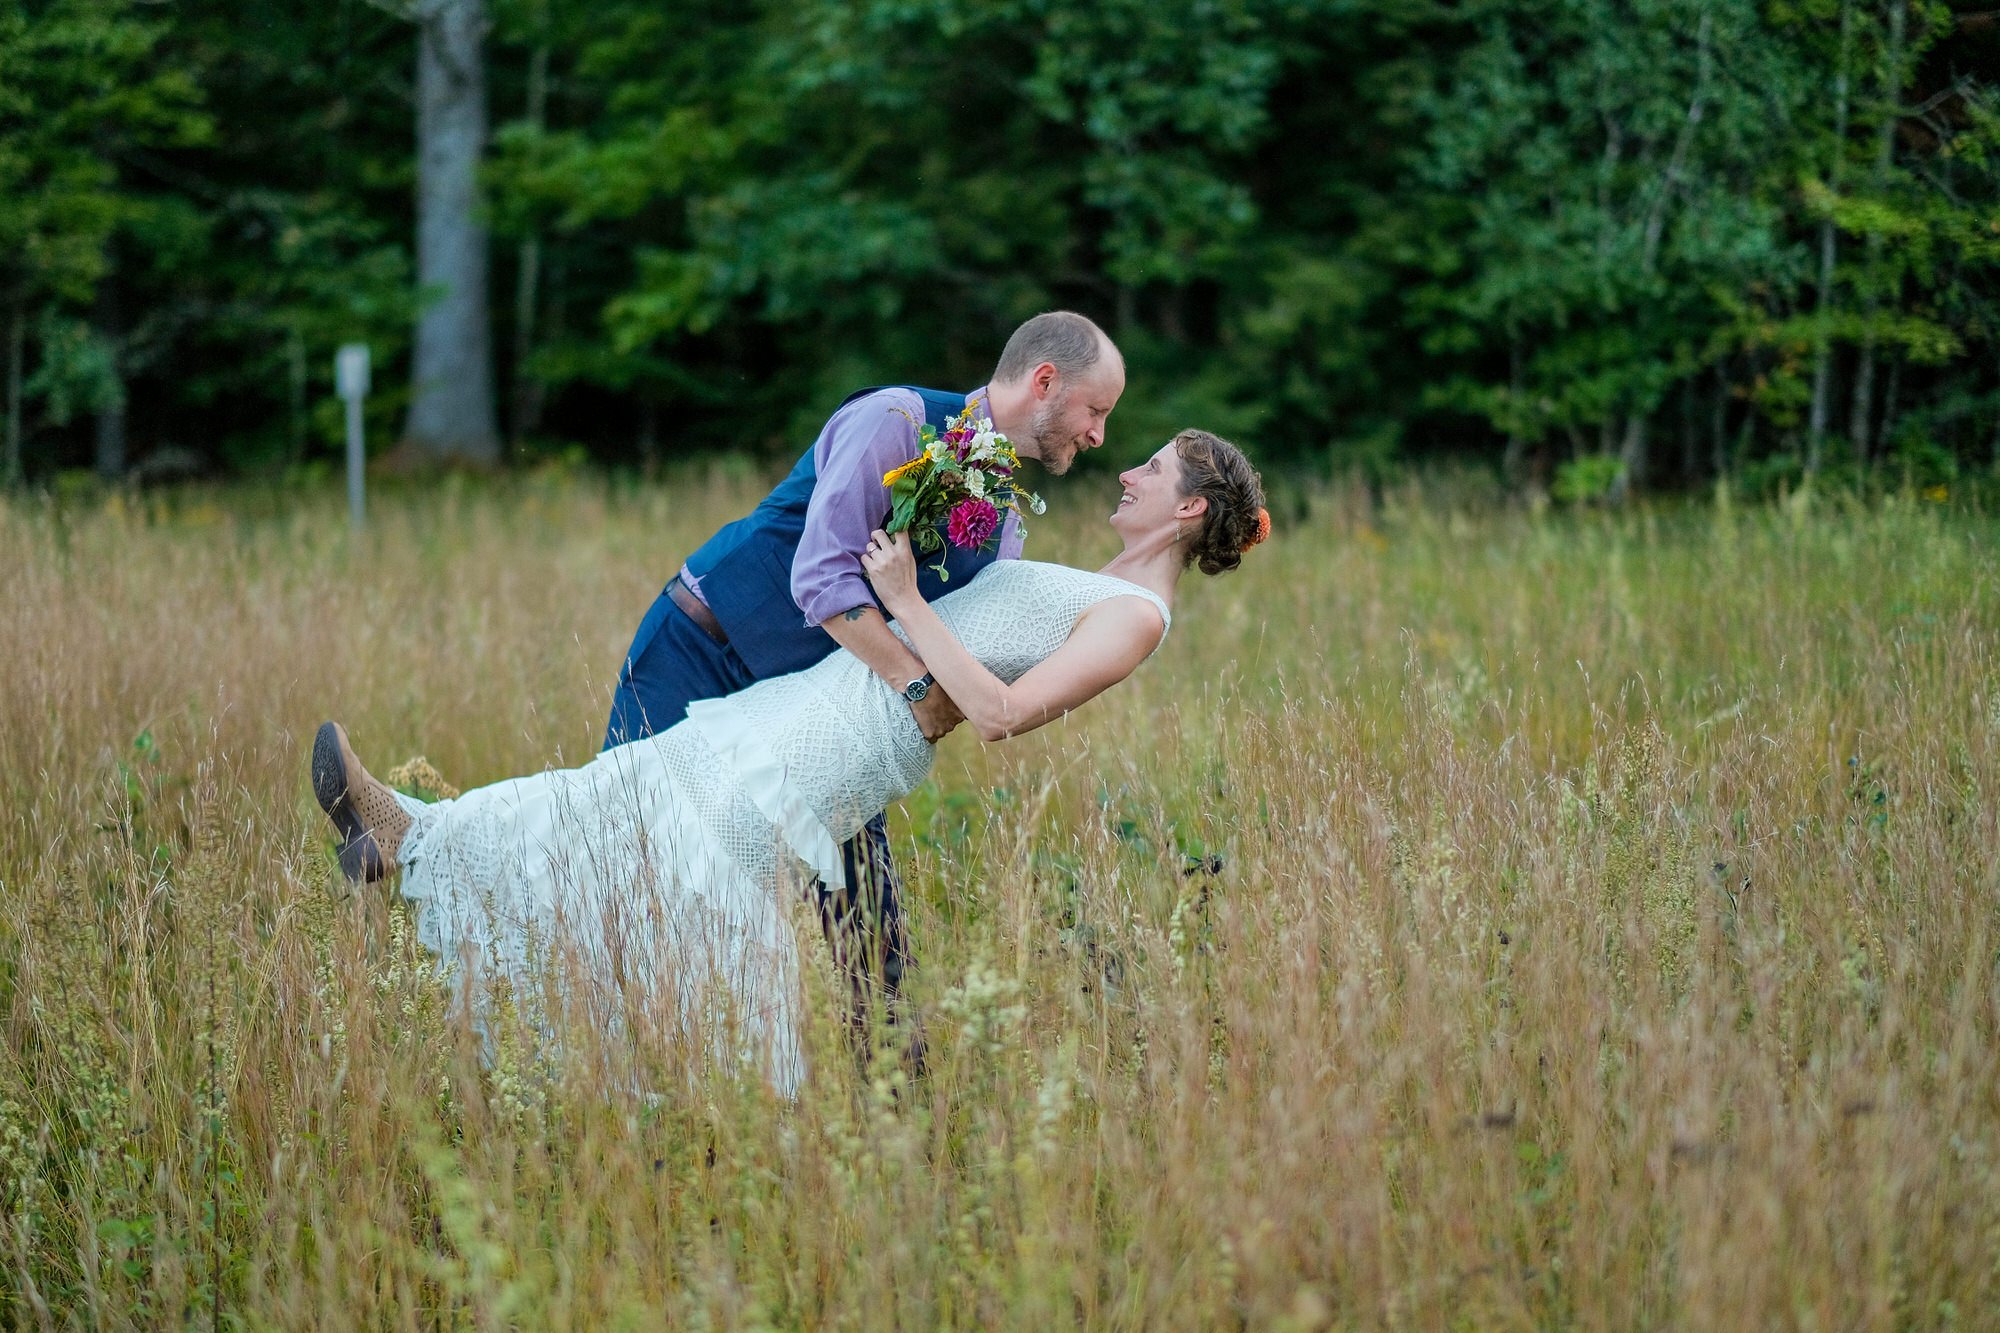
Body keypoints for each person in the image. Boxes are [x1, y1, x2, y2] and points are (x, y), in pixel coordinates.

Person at [312, 430, 1268, 1093]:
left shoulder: (1139, 618)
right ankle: (409, 835)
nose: (1127, 471)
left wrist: (902, 593)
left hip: (858, 736)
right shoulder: (1100, 585)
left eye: (1151, 467)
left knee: (670, 839)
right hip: (825, 697)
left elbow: (1000, 712)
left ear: (1187, 508)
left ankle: (423, 846)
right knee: (634, 791)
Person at [599, 312, 1126, 1041]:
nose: (1098, 434)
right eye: (1095, 411)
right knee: (625, 851)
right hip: (705, 651)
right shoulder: (894, 420)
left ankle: (896, 1111)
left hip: (824, 703)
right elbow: (820, 579)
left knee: (868, 922)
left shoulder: (1004, 523)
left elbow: (960, 637)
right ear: (1044, 382)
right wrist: (919, 689)